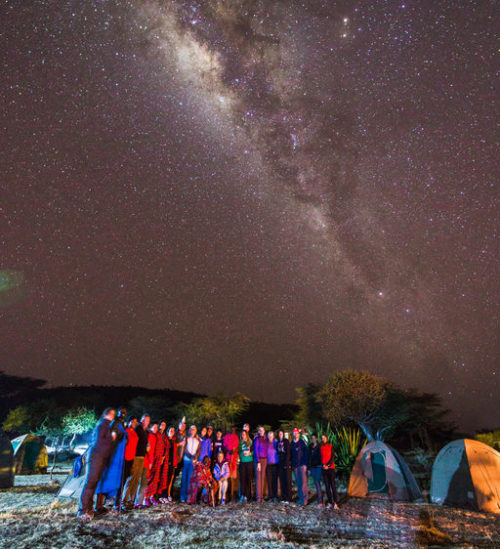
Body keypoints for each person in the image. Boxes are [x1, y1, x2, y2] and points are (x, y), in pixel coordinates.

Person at [77, 408, 116, 520]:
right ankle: (83, 510)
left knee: (94, 484)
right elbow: (99, 442)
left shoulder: (106, 425)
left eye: (113, 414)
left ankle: (89, 508)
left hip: (100, 457)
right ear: (106, 414)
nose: (112, 416)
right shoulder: (102, 425)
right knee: (90, 483)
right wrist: (111, 439)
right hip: (96, 457)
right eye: (111, 414)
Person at [95, 406, 128, 513]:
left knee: (109, 479)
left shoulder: (121, 424)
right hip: (110, 454)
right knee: (104, 478)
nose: (122, 414)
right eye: (121, 412)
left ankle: (102, 504)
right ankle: (98, 505)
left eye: (124, 412)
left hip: (116, 455)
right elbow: (110, 438)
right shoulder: (113, 423)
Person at [116, 416, 138, 510]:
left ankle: (123, 501)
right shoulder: (126, 432)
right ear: (129, 422)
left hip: (132, 458)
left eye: (135, 422)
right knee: (122, 481)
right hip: (125, 458)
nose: (134, 423)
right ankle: (117, 503)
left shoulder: (134, 432)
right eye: (132, 421)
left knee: (127, 481)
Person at [144, 422, 164, 506]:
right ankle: (145, 497)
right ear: (151, 427)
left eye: (157, 427)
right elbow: (149, 450)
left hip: (157, 460)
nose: (155, 429)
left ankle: (152, 496)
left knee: (155, 480)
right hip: (151, 460)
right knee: (149, 479)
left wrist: (162, 457)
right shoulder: (149, 436)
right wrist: (150, 461)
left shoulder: (158, 436)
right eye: (154, 427)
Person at [133, 414, 151, 507]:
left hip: (143, 457)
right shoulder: (137, 429)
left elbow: (147, 444)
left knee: (143, 481)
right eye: (145, 420)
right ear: (142, 420)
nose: (147, 422)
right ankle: (130, 501)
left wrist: (147, 447)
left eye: (148, 421)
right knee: (135, 479)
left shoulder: (146, 432)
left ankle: (139, 502)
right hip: (136, 456)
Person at [180, 425, 200, 502]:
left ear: (196, 431)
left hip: (192, 462)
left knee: (190, 479)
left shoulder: (197, 440)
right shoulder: (186, 438)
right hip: (186, 459)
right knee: (184, 478)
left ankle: (188, 497)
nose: (192, 430)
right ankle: (182, 496)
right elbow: (184, 448)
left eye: (194, 429)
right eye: (191, 429)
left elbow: (198, 450)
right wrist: (190, 456)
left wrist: (195, 458)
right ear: (189, 430)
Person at [320, 434, 339, 509]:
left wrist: (328, 465)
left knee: (333, 486)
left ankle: (336, 503)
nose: (323, 439)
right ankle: (330, 502)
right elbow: (320, 457)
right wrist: (323, 465)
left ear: (327, 438)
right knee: (327, 487)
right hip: (324, 469)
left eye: (324, 438)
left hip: (330, 468)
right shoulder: (321, 447)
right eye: (322, 438)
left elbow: (333, 456)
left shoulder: (330, 446)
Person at [290, 428, 309, 505]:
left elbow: (306, 454)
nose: (296, 434)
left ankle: (305, 499)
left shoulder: (302, 442)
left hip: (302, 465)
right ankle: (300, 498)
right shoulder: (292, 443)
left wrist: (305, 464)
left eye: (297, 433)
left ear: (299, 434)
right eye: (294, 433)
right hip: (295, 466)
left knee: (303, 482)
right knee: (298, 483)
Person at [223, 427, 239, 501]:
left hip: (234, 460)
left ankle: (233, 494)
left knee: (233, 477)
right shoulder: (226, 436)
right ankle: (226, 494)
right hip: (228, 459)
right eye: (231, 429)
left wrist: (234, 450)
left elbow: (237, 446)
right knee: (227, 477)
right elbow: (224, 446)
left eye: (233, 429)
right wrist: (228, 451)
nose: (232, 430)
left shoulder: (236, 437)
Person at [253, 426, 269, 503]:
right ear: (258, 432)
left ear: (264, 431)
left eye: (262, 430)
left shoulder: (266, 439)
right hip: (258, 460)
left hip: (265, 460)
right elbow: (256, 450)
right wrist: (258, 461)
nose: (261, 431)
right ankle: (258, 497)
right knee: (258, 479)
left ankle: (262, 496)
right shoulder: (257, 439)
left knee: (263, 478)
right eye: (260, 430)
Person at [157, 421, 171, 503]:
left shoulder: (165, 436)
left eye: (164, 425)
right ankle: (155, 495)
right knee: (156, 478)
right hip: (158, 458)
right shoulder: (157, 434)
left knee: (163, 478)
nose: (163, 426)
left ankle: (160, 495)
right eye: (161, 424)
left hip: (164, 459)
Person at [277, 429, 292, 503]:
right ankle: (283, 497)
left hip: (286, 463)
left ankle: (288, 498)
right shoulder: (278, 442)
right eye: (279, 433)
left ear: (283, 434)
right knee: (282, 481)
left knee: (287, 481)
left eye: (281, 433)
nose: (280, 434)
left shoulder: (286, 441)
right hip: (280, 464)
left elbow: (288, 452)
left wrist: (287, 463)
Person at [238, 430, 253, 502]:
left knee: (248, 479)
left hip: (249, 462)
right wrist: (242, 454)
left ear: (247, 435)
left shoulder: (250, 442)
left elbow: (253, 450)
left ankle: (247, 496)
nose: (243, 435)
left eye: (244, 434)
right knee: (242, 479)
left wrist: (250, 453)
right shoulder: (240, 442)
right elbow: (239, 451)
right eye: (242, 434)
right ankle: (242, 495)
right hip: (242, 462)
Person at [308, 433, 323, 506]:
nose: (313, 439)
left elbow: (321, 456)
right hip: (312, 467)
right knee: (316, 482)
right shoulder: (310, 446)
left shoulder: (320, 446)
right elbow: (309, 457)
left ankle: (320, 500)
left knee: (317, 482)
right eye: (312, 438)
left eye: (314, 438)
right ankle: (319, 498)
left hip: (318, 466)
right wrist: (309, 468)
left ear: (317, 438)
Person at [266, 430, 279, 502]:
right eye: (269, 435)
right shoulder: (266, 443)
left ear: (273, 436)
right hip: (268, 464)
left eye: (271, 435)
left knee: (275, 481)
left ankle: (275, 496)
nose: (270, 436)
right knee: (269, 481)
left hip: (275, 464)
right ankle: (270, 496)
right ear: (267, 436)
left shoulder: (276, 443)